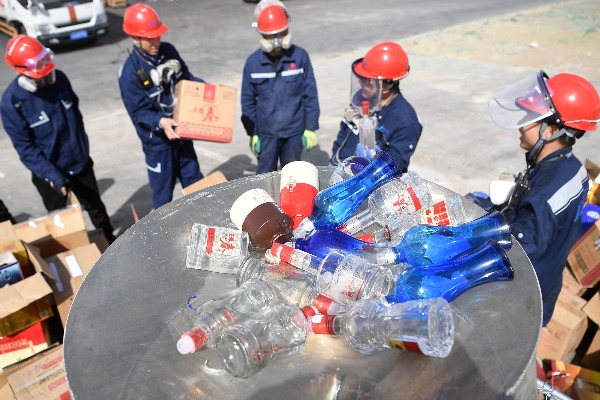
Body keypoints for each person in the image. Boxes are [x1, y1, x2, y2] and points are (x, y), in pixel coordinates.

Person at [486, 70, 600, 326]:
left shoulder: (543, 198)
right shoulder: (573, 168)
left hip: (522, 303)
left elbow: (515, 258)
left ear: (550, 131)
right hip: (546, 284)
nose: (522, 123)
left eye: (531, 117)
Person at [1, 35, 116, 243]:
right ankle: (75, 255)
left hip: (80, 164)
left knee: (97, 210)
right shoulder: (12, 103)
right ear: (21, 70)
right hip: (50, 175)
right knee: (62, 222)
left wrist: (82, 150)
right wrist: (53, 176)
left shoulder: (60, 79)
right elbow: (26, 149)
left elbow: (76, 114)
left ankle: (110, 241)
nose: (45, 75)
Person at [119, 3, 204, 209]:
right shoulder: (130, 73)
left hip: (181, 135)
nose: (155, 42)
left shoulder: (168, 51)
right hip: (158, 144)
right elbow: (138, 112)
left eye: (157, 36)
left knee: (198, 189)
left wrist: (206, 91)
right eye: (149, 39)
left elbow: (186, 78)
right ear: (135, 38)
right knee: (163, 198)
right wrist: (160, 121)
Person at [241, 0, 320, 174]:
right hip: (266, 134)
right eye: (270, 36)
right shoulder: (253, 63)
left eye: (280, 34)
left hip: (294, 132)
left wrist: (310, 128)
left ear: (287, 31)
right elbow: (247, 101)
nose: (276, 41)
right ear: (262, 35)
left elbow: (310, 94)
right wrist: (253, 132)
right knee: (264, 176)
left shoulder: (300, 57)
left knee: (291, 177)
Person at [330, 42, 423, 173]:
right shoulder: (362, 99)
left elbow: (398, 164)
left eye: (367, 80)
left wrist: (376, 159)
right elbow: (343, 134)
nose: (360, 82)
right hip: (340, 171)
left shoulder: (406, 121)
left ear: (385, 86)